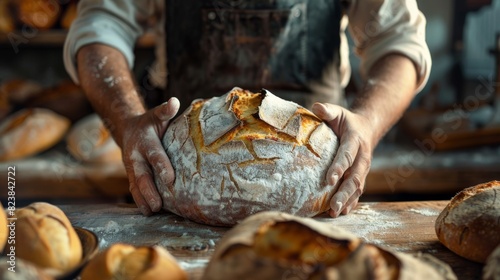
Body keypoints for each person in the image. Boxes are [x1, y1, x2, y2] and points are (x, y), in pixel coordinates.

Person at [64, 0, 431, 218]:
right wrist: (128, 121)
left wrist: (366, 123)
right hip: (181, 177)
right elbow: (102, 27)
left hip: (319, 183)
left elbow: (399, 40)